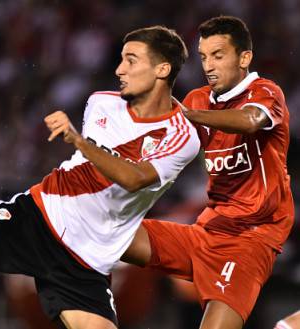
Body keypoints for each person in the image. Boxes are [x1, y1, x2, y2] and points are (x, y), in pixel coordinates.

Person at [0, 25, 200, 329]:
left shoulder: (183, 135)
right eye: (120, 60)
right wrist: (82, 145)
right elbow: (92, 173)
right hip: (43, 214)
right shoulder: (102, 103)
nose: (119, 70)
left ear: (162, 69)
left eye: (131, 61)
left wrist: (79, 141)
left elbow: (134, 178)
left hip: (85, 257)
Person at [122, 16, 294, 329]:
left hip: (251, 237)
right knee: (103, 229)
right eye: (203, 57)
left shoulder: (266, 92)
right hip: (207, 230)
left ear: (244, 58)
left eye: (218, 55)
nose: (209, 65)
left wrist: (190, 116)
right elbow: (168, 152)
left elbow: (251, 120)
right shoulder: (198, 99)